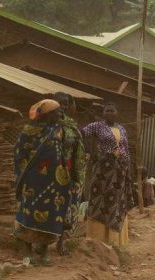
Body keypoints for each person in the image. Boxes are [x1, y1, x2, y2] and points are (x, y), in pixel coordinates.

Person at [13, 99, 72, 265]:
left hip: (53, 182)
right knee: (29, 212)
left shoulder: (59, 129)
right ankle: (27, 249)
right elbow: (19, 153)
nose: (60, 114)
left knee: (51, 214)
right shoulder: (30, 130)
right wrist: (24, 175)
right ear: (47, 114)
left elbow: (61, 154)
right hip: (33, 181)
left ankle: (44, 250)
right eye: (57, 112)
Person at [81, 102, 133, 247]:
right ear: (103, 113)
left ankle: (115, 241)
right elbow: (81, 133)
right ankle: (97, 239)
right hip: (103, 172)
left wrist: (128, 170)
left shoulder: (122, 129)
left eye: (112, 110)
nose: (110, 113)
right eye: (107, 111)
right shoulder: (97, 126)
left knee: (116, 202)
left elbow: (126, 150)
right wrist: (89, 151)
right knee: (99, 200)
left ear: (117, 113)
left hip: (119, 172)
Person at [52, 92, 86, 256]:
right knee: (51, 209)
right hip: (51, 173)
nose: (63, 106)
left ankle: (61, 243)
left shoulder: (71, 125)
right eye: (61, 103)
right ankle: (42, 243)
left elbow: (77, 148)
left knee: (66, 210)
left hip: (69, 173)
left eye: (66, 103)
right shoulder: (48, 123)